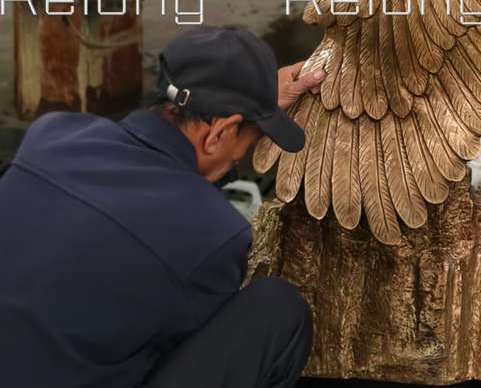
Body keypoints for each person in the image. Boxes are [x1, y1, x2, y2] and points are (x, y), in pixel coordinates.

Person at [0, 25, 324, 388]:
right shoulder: (214, 234)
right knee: (277, 308)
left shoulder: (51, 134)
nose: (239, 158)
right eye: (247, 143)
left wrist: (254, 101)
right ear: (218, 133)